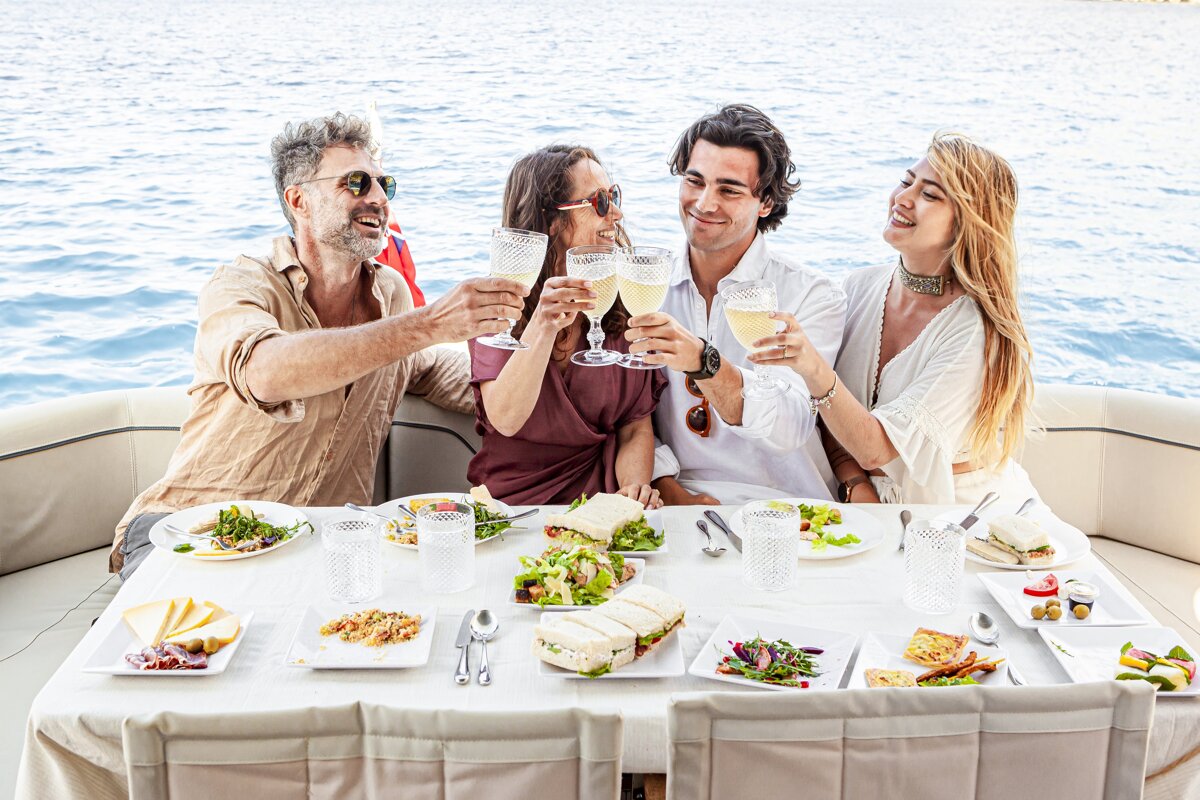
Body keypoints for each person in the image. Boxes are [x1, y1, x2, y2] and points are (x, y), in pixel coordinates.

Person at [109, 112, 528, 578]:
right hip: (189, 534)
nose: (376, 197)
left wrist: (560, 348)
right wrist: (428, 324)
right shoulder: (241, 283)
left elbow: (442, 370)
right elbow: (265, 374)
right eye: (355, 182)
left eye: (383, 184)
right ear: (298, 200)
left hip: (313, 549)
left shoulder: (392, 294)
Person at [751, 131, 1040, 505]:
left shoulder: (975, 331)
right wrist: (855, 484)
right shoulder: (859, 286)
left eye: (929, 195)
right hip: (861, 507)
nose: (902, 199)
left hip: (959, 514)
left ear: (968, 222)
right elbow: (827, 418)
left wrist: (812, 366)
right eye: (906, 181)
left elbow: (876, 448)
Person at [625, 104, 846, 505]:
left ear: (765, 203)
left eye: (728, 189)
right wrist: (670, 490)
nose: (704, 203)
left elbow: (789, 427)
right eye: (695, 181)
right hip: (676, 507)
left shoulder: (812, 295)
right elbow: (628, 415)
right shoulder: (644, 285)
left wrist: (703, 361)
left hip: (790, 508)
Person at [467, 145, 666, 506]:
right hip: (512, 510)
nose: (617, 213)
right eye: (600, 202)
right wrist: (543, 324)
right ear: (552, 222)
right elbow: (506, 419)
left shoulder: (624, 301)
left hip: (601, 511)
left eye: (614, 195)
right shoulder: (495, 307)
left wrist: (631, 490)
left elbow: (635, 427)